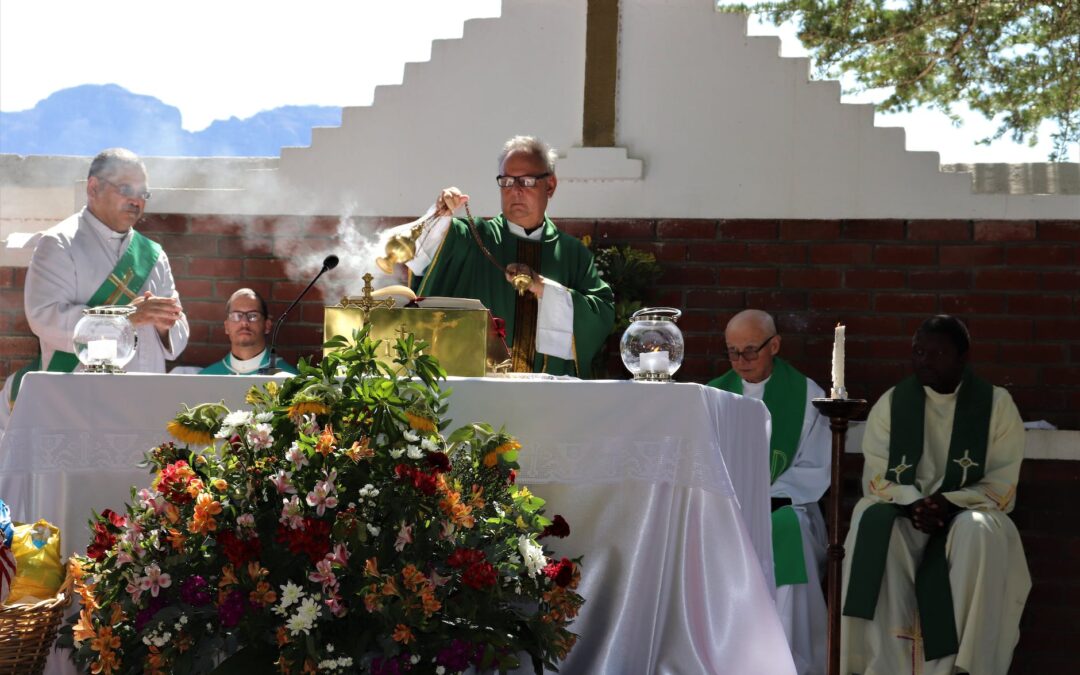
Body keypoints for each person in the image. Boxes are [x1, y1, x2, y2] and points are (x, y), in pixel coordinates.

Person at [841, 315, 1029, 675]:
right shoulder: (893, 402)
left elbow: (1002, 484)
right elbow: (877, 476)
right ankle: (883, 663)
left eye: (937, 352)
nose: (924, 360)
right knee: (871, 518)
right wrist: (913, 501)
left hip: (966, 512)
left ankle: (961, 666)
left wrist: (949, 502)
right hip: (907, 511)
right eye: (918, 352)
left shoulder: (996, 405)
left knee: (980, 532)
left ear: (963, 358)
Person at [399, 135, 614, 377]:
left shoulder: (572, 253)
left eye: (527, 181)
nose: (515, 191)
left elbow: (600, 316)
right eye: (507, 181)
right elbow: (418, 254)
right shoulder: (471, 238)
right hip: (479, 390)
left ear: (550, 185)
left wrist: (541, 286)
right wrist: (439, 215)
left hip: (550, 395)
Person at [11, 148, 188, 407]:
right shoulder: (60, 243)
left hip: (144, 395)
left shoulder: (153, 254)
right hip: (79, 398)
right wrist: (128, 317)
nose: (136, 201)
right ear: (93, 188)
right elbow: (45, 317)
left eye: (143, 194)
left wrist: (165, 323)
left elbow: (179, 334)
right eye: (126, 190)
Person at [707, 309, 830, 675]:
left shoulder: (808, 395)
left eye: (750, 350)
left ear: (774, 345)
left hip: (789, 507)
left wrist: (767, 497)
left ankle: (789, 658)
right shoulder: (713, 395)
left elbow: (816, 465)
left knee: (784, 530)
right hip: (728, 508)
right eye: (732, 352)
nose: (741, 361)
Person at [200, 288, 298, 375]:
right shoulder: (206, 377)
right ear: (227, 326)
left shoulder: (289, 379)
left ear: (267, 325)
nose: (244, 322)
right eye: (236, 315)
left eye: (253, 315)